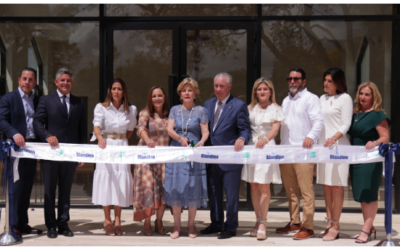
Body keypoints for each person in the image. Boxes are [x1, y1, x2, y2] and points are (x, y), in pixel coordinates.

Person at [33, 68, 87, 239]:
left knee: (65, 190)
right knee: (49, 190)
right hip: (51, 154)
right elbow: (37, 122)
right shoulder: (45, 100)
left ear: (72, 82)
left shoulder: (79, 103)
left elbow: (82, 129)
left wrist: (82, 153)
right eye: (62, 80)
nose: (65, 83)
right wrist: (47, 135)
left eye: (68, 80)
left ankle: (63, 223)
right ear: (56, 82)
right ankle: (51, 226)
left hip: (70, 154)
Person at [201, 72, 251, 240]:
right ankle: (216, 223)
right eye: (216, 85)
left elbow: (245, 128)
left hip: (231, 159)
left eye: (222, 86)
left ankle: (230, 226)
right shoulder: (207, 104)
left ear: (229, 86)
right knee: (214, 193)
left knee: (231, 195)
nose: (219, 89)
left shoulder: (238, 105)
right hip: (211, 159)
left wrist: (242, 138)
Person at [276, 68, 324, 240]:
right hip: (286, 151)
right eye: (290, 78)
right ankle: (295, 222)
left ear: (304, 81)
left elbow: (318, 121)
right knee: (290, 190)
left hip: (303, 151)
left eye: (296, 78)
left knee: (306, 190)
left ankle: (308, 226)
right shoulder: (285, 100)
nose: (292, 81)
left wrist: (311, 136)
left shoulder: (311, 98)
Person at [163, 78, 209, 239]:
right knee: (176, 188)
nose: (187, 93)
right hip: (176, 151)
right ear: (180, 94)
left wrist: (202, 142)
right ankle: (176, 226)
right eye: (184, 90)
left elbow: (205, 131)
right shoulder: (175, 109)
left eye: (190, 90)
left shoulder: (201, 110)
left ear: (195, 93)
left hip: (194, 153)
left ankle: (190, 226)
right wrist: (179, 139)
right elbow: (169, 129)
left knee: (192, 189)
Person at [91, 78, 137, 236]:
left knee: (120, 181)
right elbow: (96, 125)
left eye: (119, 89)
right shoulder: (101, 107)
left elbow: (130, 129)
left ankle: (118, 220)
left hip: (122, 147)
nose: (116, 91)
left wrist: (121, 138)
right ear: (110, 91)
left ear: (124, 91)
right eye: (113, 88)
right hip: (106, 145)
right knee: (107, 181)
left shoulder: (131, 109)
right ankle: (107, 220)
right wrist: (100, 137)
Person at [0, 67, 42, 237]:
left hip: (32, 150)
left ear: (35, 82)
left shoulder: (38, 101)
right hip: (15, 151)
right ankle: (11, 225)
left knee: (26, 187)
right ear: (19, 80)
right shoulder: (8, 98)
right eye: (24, 78)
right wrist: (14, 133)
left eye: (30, 79)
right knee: (14, 188)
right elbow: (1, 120)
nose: (27, 82)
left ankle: (22, 223)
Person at [242, 78, 284, 241]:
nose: (262, 92)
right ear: (255, 92)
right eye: (259, 89)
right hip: (252, 147)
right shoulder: (249, 108)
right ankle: (257, 219)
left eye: (265, 89)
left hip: (267, 147)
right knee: (253, 185)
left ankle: (263, 223)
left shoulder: (276, 109)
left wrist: (265, 140)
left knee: (264, 185)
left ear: (270, 91)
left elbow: (275, 129)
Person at [348, 82, 390, 244]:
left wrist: (375, 142)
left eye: (367, 94)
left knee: (369, 193)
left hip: (370, 158)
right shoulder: (355, 114)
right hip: (356, 158)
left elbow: (385, 137)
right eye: (361, 94)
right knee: (361, 194)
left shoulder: (378, 115)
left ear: (374, 97)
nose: (363, 97)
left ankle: (365, 229)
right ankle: (370, 226)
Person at [316, 68, 353, 241]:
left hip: (338, 147)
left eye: (330, 81)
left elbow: (346, 124)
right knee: (326, 185)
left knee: (337, 185)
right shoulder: (321, 99)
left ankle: (336, 225)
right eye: (325, 80)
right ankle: (329, 223)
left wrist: (334, 137)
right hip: (323, 147)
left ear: (338, 82)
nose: (326, 83)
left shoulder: (345, 98)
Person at [134, 86, 170, 236]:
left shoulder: (170, 115)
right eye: (154, 96)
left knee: (162, 190)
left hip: (164, 159)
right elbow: (140, 128)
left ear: (164, 97)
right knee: (148, 188)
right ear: (150, 98)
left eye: (160, 95)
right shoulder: (145, 113)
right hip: (147, 158)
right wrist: (148, 139)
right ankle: (147, 221)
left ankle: (159, 221)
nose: (157, 98)